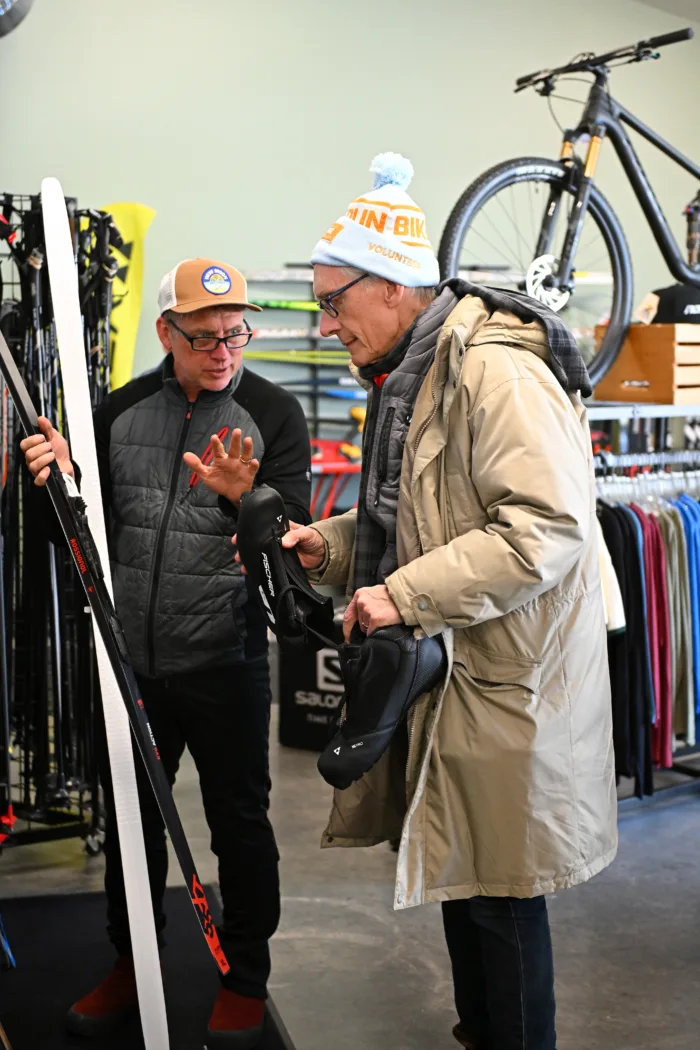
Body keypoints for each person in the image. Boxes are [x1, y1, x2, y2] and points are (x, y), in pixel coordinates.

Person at [276, 153, 618, 1050]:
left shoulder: (491, 372)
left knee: (500, 897)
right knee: (466, 878)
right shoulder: (410, 376)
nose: (325, 322)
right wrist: (336, 546)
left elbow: (545, 528)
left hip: (505, 676)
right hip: (460, 667)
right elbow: (415, 516)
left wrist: (401, 593)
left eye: (332, 299)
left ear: (390, 287)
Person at [21, 258, 311, 1049]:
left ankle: (245, 976)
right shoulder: (116, 412)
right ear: (167, 334)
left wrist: (244, 503)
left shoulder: (274, 413)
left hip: (226, 657)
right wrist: (58, 485)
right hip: (131, 663)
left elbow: (294, 548)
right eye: (206, 336)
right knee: (132, 824)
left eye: (237, 334)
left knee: (239, 822)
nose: (224, 351)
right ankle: (131, 958)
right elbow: (74, 542)